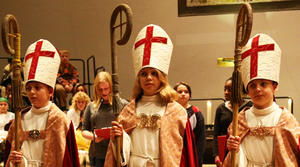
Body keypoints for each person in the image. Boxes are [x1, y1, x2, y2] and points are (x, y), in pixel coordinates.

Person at [104, 24, 198, 167]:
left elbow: (185, 154)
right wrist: (119, 137)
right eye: (144, 73)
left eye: (154, 73)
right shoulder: (128, 110)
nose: (148, 77)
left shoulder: (176, 111)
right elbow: (121, 153)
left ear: (161, 77)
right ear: (138, 79)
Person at [223, 34, 300, 166]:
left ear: (274, 86)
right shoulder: (240, 119)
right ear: (247, 90)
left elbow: (291, 156)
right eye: (252, 86)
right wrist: (235, 149)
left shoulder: (285, 119)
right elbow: (237, 158)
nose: (257, 89)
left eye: (263, 84)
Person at [4, 39, 80, 167]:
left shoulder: (61, 120)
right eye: (28, 88)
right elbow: (10, 157)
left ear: (50, 91)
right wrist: (15, 161)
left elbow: (69, 160)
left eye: (37, 87)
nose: (32, 92)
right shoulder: (19, 119)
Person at [82, 71, 127, 167]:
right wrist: (94, 137)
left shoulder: (122, 105)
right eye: (100, 90)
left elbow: (129, 129)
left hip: (116, 152)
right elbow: (84, 130)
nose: (103, 92)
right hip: (97, 154)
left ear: (111, 87)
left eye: (106, 89)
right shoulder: (91, 106)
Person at [212, 77, 252, 167]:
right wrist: (216, 155)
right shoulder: (221, 108)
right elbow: (216, 134)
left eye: (229, 90)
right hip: (224, 150)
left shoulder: (249, 107)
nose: (226, 92)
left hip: (243, 150)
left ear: (239, 90)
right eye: (225, 89)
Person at [174, 81, 205, 167]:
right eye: (180, 92)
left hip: (191, 152)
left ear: (190, 95)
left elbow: (200, 139)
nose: (183, 94)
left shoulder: (196, 113)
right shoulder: (170, 112)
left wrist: (198, 160)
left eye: (186, 92)